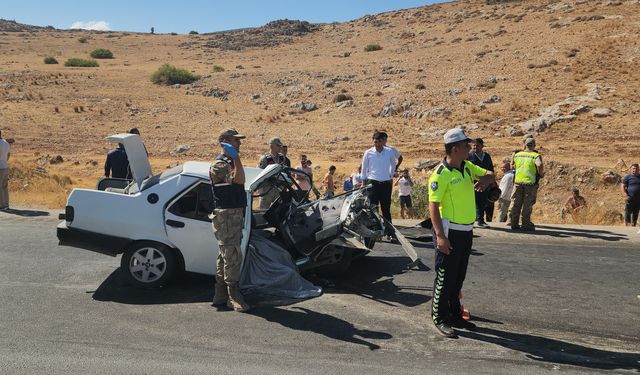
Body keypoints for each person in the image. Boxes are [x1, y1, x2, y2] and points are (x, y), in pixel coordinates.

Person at [428, 128, 495, 338]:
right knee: (444, 277)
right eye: (466, 145)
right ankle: (439, 317)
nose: (470, 148)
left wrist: (486, 180)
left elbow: (491, 173)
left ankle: (455, 314)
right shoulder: (441, 174)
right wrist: (440, 236)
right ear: (455, 149)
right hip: (450, 231)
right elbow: (433, 206)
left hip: (466, 230)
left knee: (459, 276)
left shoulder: (467, 166)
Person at [210, 128, 250, 312]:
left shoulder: (228, 162)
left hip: (232, 215)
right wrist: (236, 158)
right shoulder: (219, 165)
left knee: (224, 255)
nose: (239, 143)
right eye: (235, 140)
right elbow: (240, 180)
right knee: (232, 254)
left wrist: (234, 158)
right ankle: (233, 296)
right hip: (227, 216)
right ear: (225, 142)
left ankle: (220, 294)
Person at [361, 131, 401, 240]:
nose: (377, 144)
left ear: (382, 142)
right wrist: (363, 186)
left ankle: (390, 233)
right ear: (373, 142)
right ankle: (376, 232)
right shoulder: (368, 153)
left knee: (386, 209)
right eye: (375, 142)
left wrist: (390, 175)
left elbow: (393, 164)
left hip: (385, 184)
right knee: (373, 209)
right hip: (372, 183)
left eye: (379, 142)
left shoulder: (389, 151)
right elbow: (364, 170)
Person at [508, 136, 544, 231]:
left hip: (518, 182)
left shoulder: (518, 154)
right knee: (527, 205)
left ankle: (514, 223)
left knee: (516, 203)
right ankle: (525, 224)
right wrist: (541, 174)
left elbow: (512, 166)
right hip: (530, 184)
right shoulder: (535, 155)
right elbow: (539, 164)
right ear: (534, 145)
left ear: (525, 145)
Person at [467, 138, 495, 227]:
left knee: (482, 201)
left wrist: (491, 181)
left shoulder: (486, 156)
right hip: (471, 183)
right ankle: (470, 220)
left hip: (484, 183)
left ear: (482, 146)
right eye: (473, 145)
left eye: (477, 145)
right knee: (471, 201)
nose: (475, 147)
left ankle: (480, 220)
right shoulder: (469, 156)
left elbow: (490, 169)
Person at [257, 137, 285, 209]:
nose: (280, 147)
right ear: (271, 146)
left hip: (279, 189)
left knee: (279, 210)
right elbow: (259, 173)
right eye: (277, 145)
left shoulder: (282, 158)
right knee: (263, 210)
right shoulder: (264, 158)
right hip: (267, 189)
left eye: (280, 145)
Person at [0, 129, 11, 210]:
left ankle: (1, 205)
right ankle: (6, 204)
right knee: (4, 187)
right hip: (5, 167)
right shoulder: (5, 143)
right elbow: (8, 155)